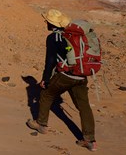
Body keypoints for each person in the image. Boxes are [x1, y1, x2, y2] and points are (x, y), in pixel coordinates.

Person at [27, 9, 97, 152]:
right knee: (84, 106)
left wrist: (45, 80)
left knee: (46, 94)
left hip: (66, 75)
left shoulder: (53, 38)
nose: (45, 22)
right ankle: (90, 141)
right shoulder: (71, 35)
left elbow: (50, 61)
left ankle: (41, 124)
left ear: (51, 24)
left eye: (46, 21)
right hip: (81, 76)